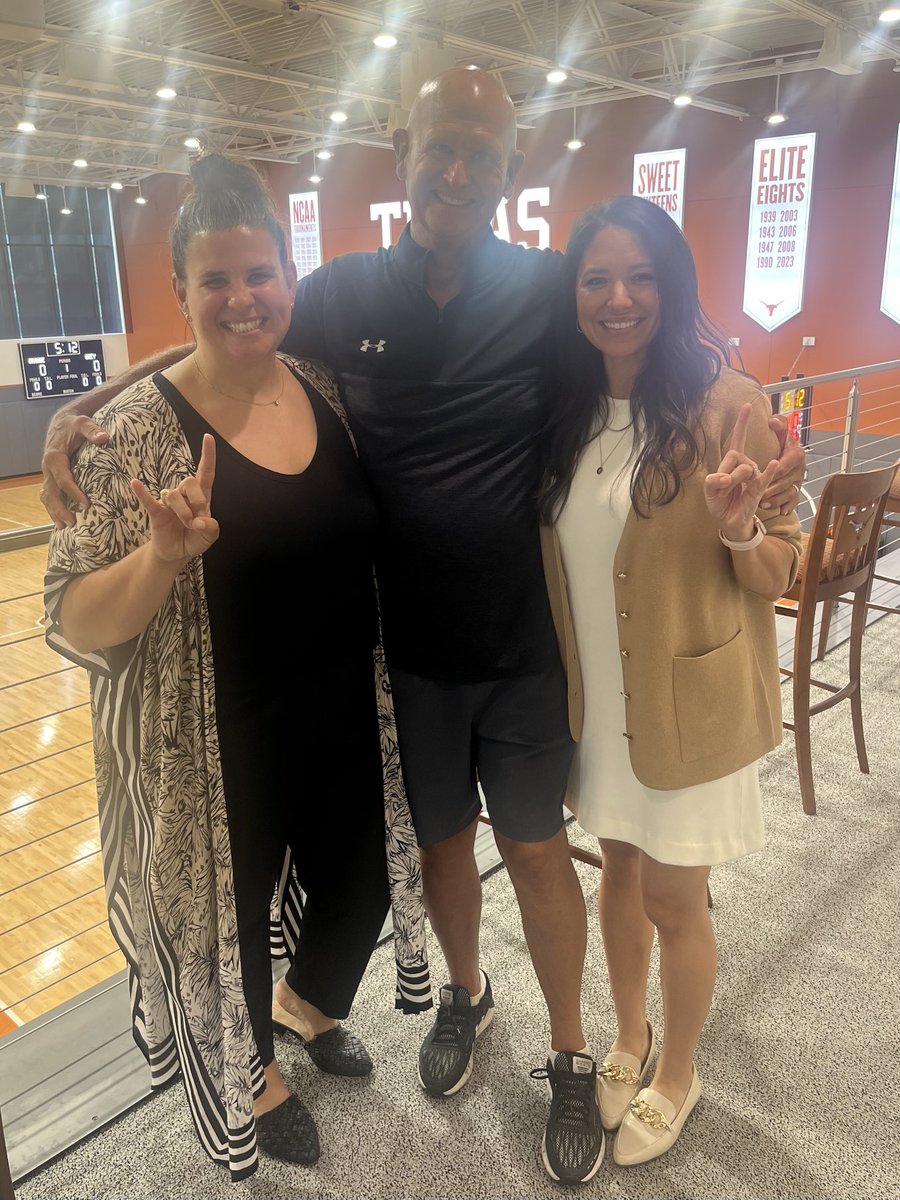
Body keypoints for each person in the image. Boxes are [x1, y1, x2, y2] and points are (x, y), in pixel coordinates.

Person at [38, 69, 805, 1186]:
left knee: (538, 854)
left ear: (511, 166)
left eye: (482, 154)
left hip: (532, 650)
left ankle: (569, 1049)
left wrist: (738, 391)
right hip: (412, 661)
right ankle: (464, 996)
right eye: (440, 148)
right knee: (444, 849)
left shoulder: (549, 289)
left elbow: (644, 328)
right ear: (403, 150)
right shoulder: (349, 291)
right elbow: (237, 333)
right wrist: (94, 404)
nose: (458, 172)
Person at [42, 154, 428, 1179]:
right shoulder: (134, 436)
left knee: (363, 887)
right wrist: (162, 557)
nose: (242, 298)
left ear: (289, 278)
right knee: (232, 918)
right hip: (222, 737)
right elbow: (75, 613)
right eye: (215, 281)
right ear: (180, 292)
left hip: (345, 711)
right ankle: (251, 1068)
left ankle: (303, 1012)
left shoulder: (328, 391)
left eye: (259, 274)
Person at [539, 195, 802, 1168]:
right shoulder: (563, 412)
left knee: (676, 901)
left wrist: (739, 527)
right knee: (616, 874)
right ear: (573, 295)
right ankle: (628, 1034)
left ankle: (679, 1071)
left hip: (686, 706)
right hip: (599, 707)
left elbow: (778, 569)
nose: (618, 297)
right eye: (597, 278)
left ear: (671, 285)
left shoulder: (730, 402)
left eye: (641, 276)